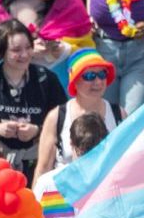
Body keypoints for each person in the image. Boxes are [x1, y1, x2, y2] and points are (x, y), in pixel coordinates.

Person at [0, 21, 67, 176]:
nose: (25, 55)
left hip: (37, 165)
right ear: (1, 51)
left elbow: (64, 120)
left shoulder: (46, 79)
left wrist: (38, 131)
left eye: (28, 47)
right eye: (16, 50)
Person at [33, 49, 121, 181]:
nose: (98, 81)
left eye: (102, 74)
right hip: (65, 196)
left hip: (105, 194)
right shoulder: (57, 117)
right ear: (75, 80)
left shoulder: (118, 113)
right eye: (89, 76)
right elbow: (43, 168)